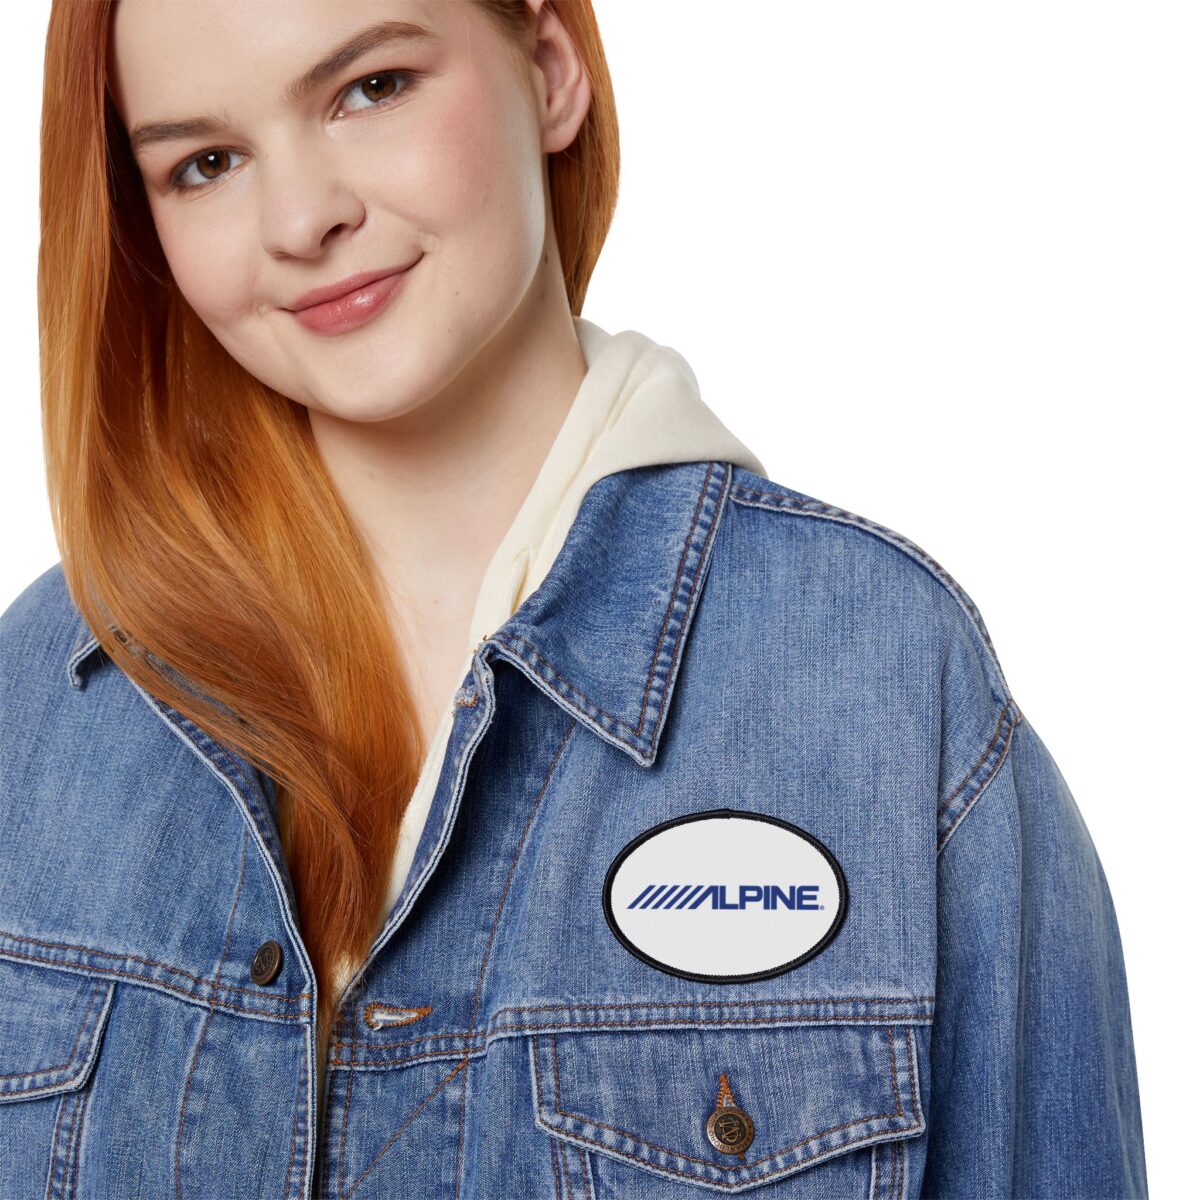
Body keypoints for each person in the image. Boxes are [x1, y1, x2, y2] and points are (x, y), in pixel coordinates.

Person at [0, 1, 1147, 1196]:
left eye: (372, 88)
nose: (300, 220)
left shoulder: (884, 692)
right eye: (207, 163)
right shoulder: (31, 707)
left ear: (550, 71)